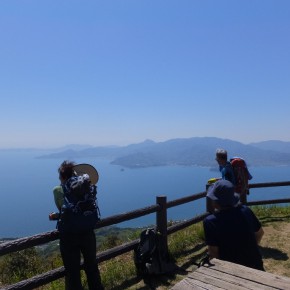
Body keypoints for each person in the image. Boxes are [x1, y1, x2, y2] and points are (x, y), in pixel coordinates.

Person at [52, 160, 104, 290]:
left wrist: (56, 216)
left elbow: (66, 211)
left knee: (73, 272)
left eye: (60, 176)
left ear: (63, 176)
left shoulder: (62, 188)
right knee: (92, 266)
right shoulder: (85, 185)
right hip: (88, 232)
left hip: (69, 235)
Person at [203, 179, 264, 270]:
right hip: (256, 265)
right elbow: (260, 233)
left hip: (231, 270)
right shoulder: (245, 210)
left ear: (216, 202)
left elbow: (213, 253)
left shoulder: (210, 221)